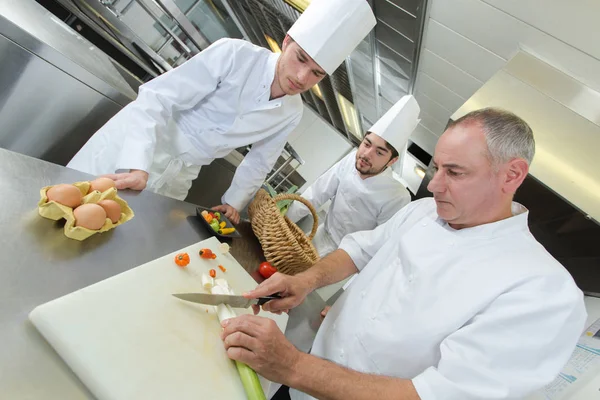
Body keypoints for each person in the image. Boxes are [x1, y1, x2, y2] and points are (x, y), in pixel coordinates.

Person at [219, 108, 587, 400]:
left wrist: (293, 365)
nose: (435, 185)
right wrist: (305, 280)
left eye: (455, 172)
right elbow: (360, 250)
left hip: (302, 371)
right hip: (304, 379)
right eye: (437, 168)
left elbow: (437, 395)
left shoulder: (543, 292)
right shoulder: (423, 211)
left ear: (511, 176)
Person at [67, 0, 376, 224]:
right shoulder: (234, 55)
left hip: (181, 175)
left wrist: (233, 203)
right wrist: (136, 163)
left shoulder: (291, 112)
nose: (301, 78)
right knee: (67, 210)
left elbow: (259, 161)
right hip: (136, 149)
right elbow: (157, 98)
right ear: (286, 41)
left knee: (123, 236)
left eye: (316, 74)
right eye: (301, 59)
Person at [286, 95, 420, 258]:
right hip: (319, 235)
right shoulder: (352, 159)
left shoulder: (397, 196)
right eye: (367, 144)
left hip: (346, 257)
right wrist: (284, 222)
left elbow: (378, 244)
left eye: (379, 152)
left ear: (392, 160)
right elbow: (317, 193)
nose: (366, 154)